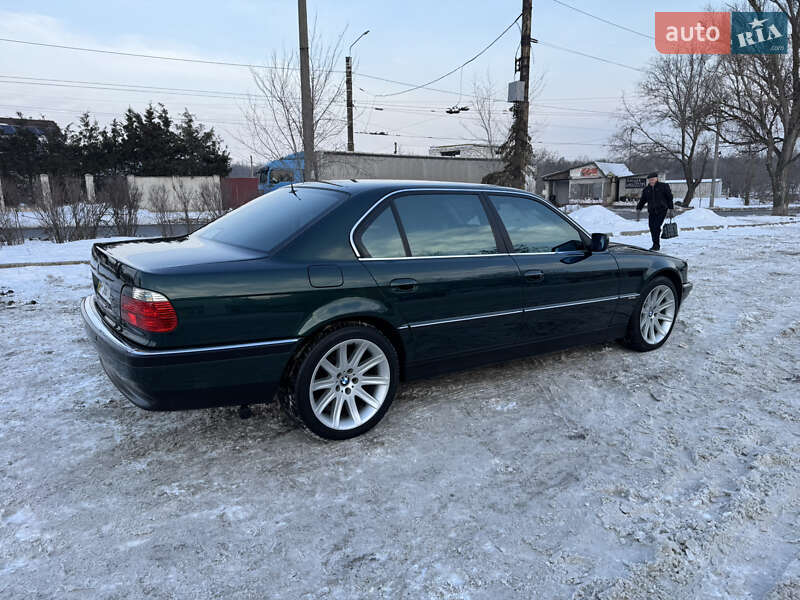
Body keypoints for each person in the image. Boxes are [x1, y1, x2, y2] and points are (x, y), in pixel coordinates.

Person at [637, 172, 674, 251]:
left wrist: (671, 209)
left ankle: (656, 245)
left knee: (656, 227)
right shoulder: (647, 189)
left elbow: (669, 198)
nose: (651, 181)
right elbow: (643, 200)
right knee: (651, 227)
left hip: (662, 210)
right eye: (650, 180)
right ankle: (655, 243)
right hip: (652, 211)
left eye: (653, 179)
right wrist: (638, 208)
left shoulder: (663, 186)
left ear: (656, 179)